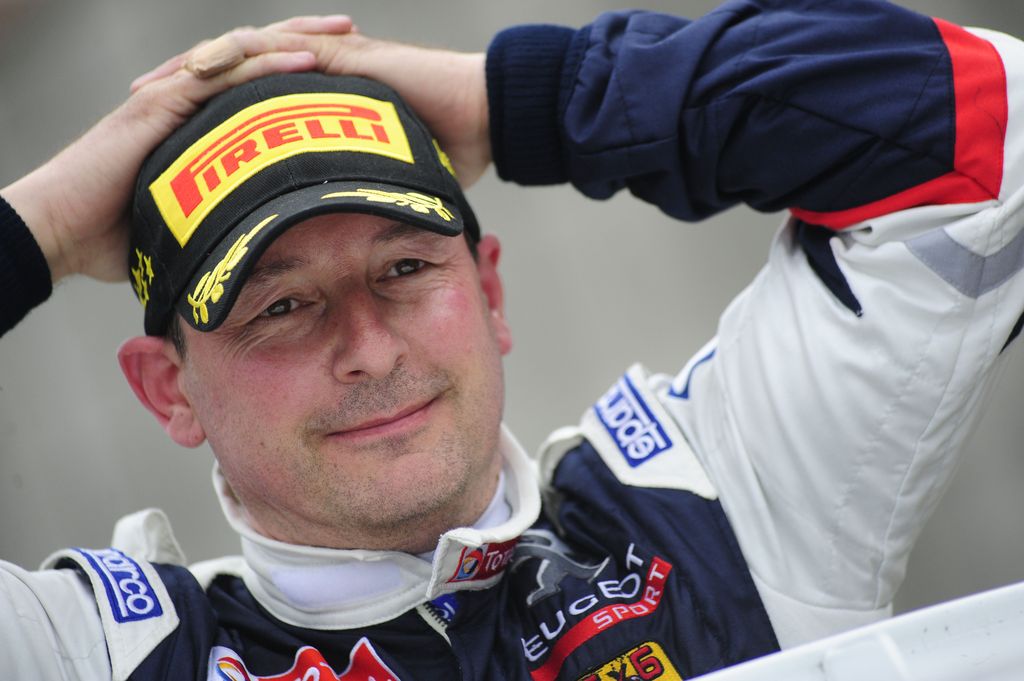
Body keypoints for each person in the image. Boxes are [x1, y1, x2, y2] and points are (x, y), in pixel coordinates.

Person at [2, 0, 1023, 678]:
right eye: (280, 307)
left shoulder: (717, 511)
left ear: (489, 290)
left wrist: (533, 101)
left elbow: (994, 131)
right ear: (168, 390)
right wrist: (35, 228)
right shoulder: (102, 656)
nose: (370, 350)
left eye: (405, 270)